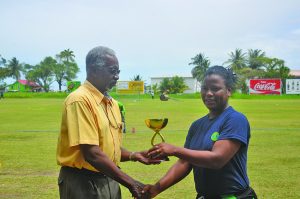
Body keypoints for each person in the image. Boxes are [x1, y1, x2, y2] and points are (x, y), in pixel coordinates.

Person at [56, 46, 159, 199]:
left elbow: (107, 147)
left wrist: (134, 155)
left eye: (118, 72)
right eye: (113, 71)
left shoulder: (112, 104)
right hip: (83, 182)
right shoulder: (80, 100)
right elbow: (92, 153)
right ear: (93, 70)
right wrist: (131, 183)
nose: (117, 76)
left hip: (110, 179)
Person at [143, 66, 257, 199]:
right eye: (205, 88)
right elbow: (184, 162)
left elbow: (217, 159)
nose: (208, 93)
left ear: (229, 91)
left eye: (215, 89)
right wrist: (156, 189)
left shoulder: (235, 119)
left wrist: (174, 150)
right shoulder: (197, 125)